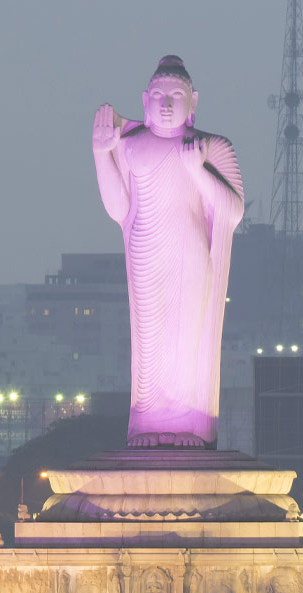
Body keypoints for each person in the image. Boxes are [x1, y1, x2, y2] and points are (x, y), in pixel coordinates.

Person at [93, 55, 245, 448]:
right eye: (158, 95)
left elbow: (232, 211)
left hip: (191, 257)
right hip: (145, 250)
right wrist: (101, 154)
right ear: (144, 101)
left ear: (193, 102)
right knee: (151, 344)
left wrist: (197, 169)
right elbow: (119, 209)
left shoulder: (212, 146)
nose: (165, 103)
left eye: (176, 95)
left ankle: (190, 427)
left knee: (187, 339)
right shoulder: (130, 145)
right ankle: (147, 425)